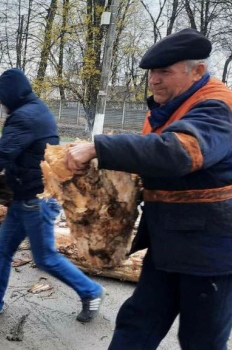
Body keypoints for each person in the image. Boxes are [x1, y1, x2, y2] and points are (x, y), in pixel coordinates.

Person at [64, 28, 232, 349]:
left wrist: (98, 147)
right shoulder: (165, 109)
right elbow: (150, 164)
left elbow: (179, 152)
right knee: (136, 324)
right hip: (168, 243)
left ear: (197, 71)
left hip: (210, 250)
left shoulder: (217, 106)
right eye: (152, 72)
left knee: (203, 339)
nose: (154, 80)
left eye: (164, 72)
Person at [0, 68, 105, 322]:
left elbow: (2, 154)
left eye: (1, 96)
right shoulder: (31, 110)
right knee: (3, 247)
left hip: (37, 199)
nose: (0, 101)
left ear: (13, 93)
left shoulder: (26, 116)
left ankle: (91, 291)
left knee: (45, 257)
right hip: (25, 197)